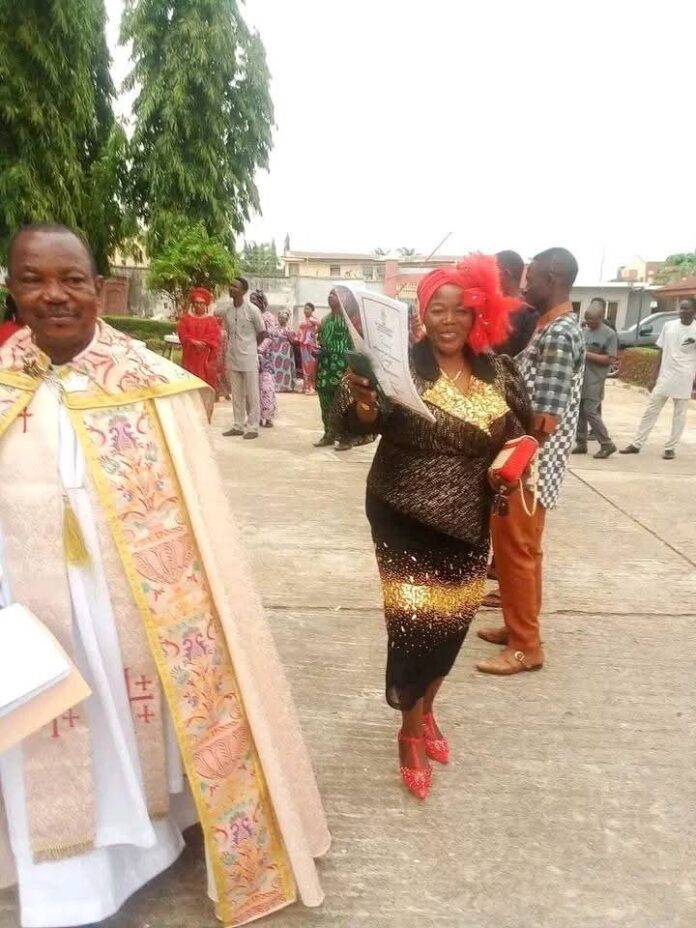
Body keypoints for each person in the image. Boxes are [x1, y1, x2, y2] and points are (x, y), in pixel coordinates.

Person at [0, 224, 329, 928]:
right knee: (50, 729)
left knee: (140, 723)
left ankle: (155, 835)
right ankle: (71, 890)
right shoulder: (3, 382)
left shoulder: (153, 386)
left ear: (97, 288)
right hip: (31, 611)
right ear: (11, 286)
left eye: (72, 280)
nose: (53, 295)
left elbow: (203, 525)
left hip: (138, 606)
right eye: (32, 279)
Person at [339, 255, 530, 800]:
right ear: (421, 316)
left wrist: (512, 462)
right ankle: (406, 730)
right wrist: (366, 405)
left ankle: (428, 712)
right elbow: (350, 422)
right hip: (404, 516)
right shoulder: (399, 365)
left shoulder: (498, 371)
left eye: (460, 311)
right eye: (436, 310)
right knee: (413, 628)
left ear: (477, 315)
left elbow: (518, 430)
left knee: (452, 626)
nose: (449, 321)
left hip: (469, 521)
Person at [477, 247, 585, 675]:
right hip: (529, 464)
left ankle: (526, 647)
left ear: (554, 277)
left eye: (533, 278)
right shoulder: (550, 327)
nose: (526, 286)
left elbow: (545, 419)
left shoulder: (559, 333)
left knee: (517, 553)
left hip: (529, 466)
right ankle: (519, 627)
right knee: (522, 553)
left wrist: (512, 467)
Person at [620, 298, 696, 460]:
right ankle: (637, 444)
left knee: (679, 415)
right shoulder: (669, 326)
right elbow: (660, 352)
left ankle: (670, 448)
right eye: (681, 308)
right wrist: (653, 376)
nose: (682, 311)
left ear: (694, 311)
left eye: (686, 308)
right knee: (651, 411)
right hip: (665, 376)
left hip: (684, 377)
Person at [216, 276, 265, 440]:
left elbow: (262, 333)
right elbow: (226, 329)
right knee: (236, 394)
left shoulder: (252, 310)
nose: (231, 288)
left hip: (249, 357)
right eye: (230, 286)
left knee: (252, 394)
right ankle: (238, 425)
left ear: (243, 291)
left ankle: (252, 427)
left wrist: (253, 348)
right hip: (233, 357)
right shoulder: (228, 310)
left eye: (235, 287)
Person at [573, 301, 618, 458]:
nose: (588, 322)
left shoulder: (609, 334)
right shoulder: (584, 332)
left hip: (595, 380)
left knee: (591, 411)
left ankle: (606, 443)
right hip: (581, 378)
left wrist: (587, 354)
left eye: (591, 319)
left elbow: (610, 359)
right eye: (586, 318)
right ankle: (581, 443)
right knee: (580, 411)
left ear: (600, 317)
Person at [314, 288, 352, 448]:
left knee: (344, 402)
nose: (330, 296)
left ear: (345, 299)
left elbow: (356, 346)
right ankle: (329, 434)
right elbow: (321, 344)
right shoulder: (324, 321)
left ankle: (346, 438)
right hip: (326, 366)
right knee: (325, 400)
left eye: (335, 294)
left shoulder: (351, 321)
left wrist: (351, 368)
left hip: (343, 366)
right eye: (329, 294)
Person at [494, 250, 537, 357]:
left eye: (492, 272)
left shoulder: (529, 314)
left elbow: (525, 358)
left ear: (505, 274)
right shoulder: (491, 307)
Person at [176, 288, 221, 389]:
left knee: (204, 384)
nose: (199, 305)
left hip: (205, 359)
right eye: (196, 303)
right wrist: (193, 341)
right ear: (193, 304)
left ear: (206, 305)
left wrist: (204, 343)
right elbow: (182, 334)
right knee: (189, 383)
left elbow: (215, 337)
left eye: (201, 303)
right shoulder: (185, 319)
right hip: (189, 357)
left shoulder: (211, 321)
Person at [250, 290, 277, 429]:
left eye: (255, 300)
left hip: (265, 357)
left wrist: (259, 349)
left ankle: (268, 416)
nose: (253, 303)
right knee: (253, 388)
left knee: (266, 387)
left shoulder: (268, 317)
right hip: (249, 355)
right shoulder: (250, 315)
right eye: (251, 300)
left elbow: (270, 337)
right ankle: (257, 417)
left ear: (261, 302)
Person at [271, 309, 296, 393]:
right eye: (280, 317)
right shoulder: (274, 328)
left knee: (285, 370)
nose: (281, 319)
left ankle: (285, 386)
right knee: (275, 370)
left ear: (287, 319)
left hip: (285, 354)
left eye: (283, 318)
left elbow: (292, 341)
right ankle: (276, 385)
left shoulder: (289, 330)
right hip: (275, 353)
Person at [297, 303, 320, 394]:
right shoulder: (305, 320)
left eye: (307, 309)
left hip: (310, 345)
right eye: (304, 309)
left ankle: (311, 387)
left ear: (312, 310)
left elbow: (320, 324)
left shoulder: (313, 319)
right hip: (303, 346)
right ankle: (305, 386)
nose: (305, 310)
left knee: (310, 366)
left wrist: (315, 333)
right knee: (305, 365)